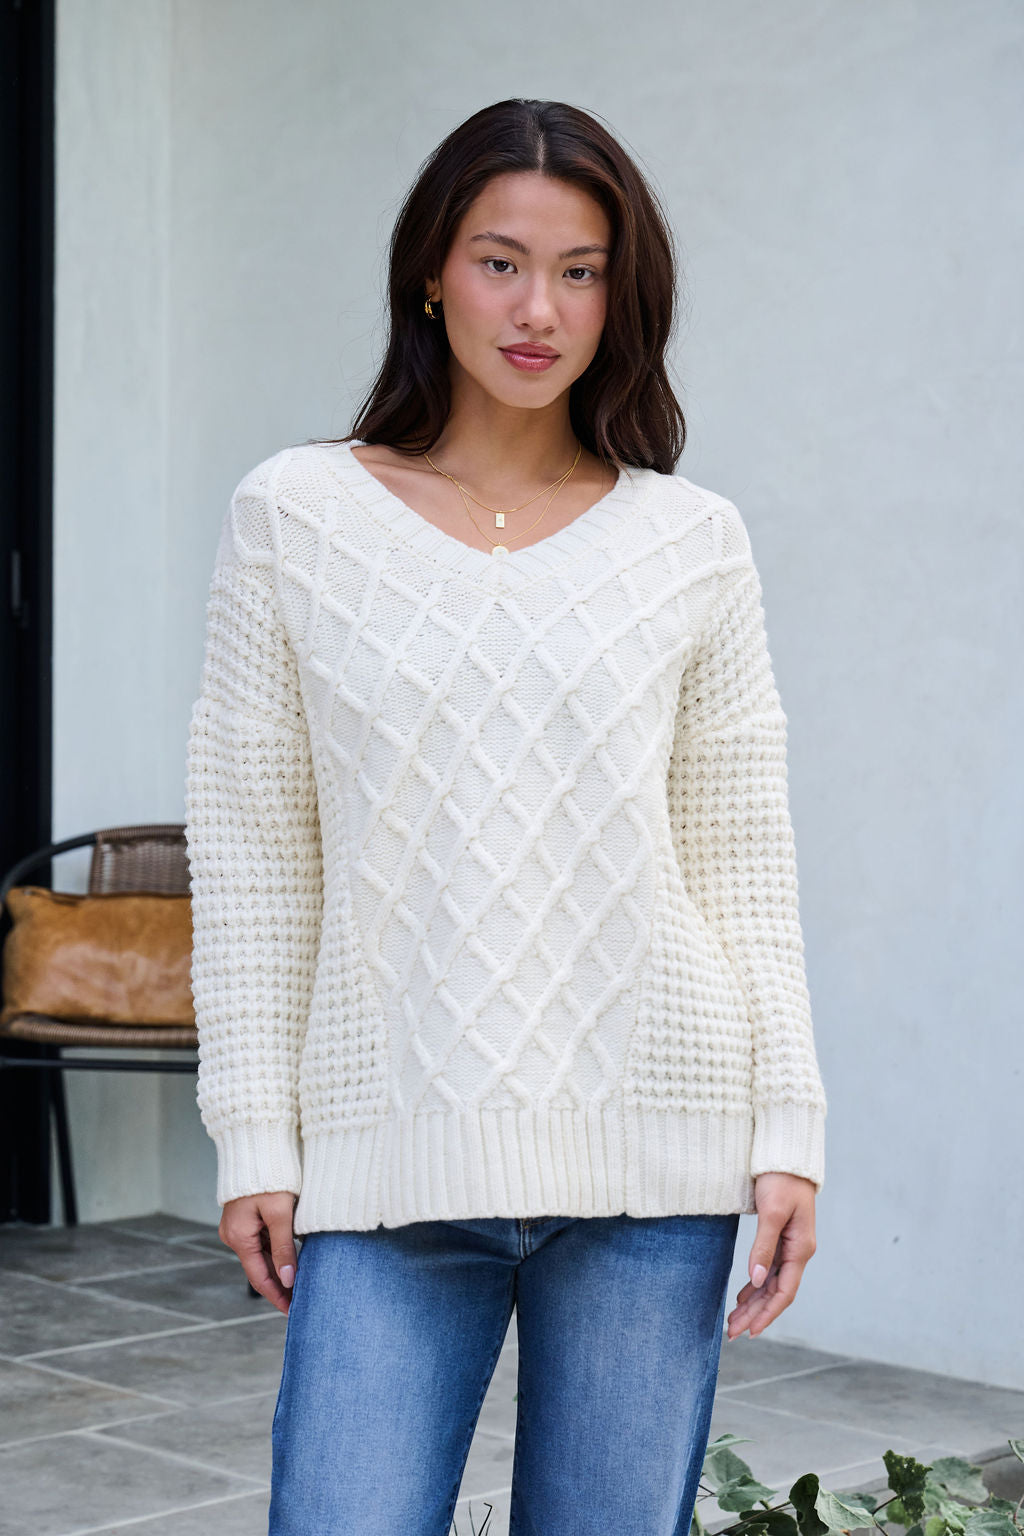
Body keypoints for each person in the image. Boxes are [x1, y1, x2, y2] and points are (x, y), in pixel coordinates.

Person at [184, 97, 827, 1536]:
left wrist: (787, 1124)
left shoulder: (690, 541)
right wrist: (254, 1139)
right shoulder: (294, 515)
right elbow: (254, 851)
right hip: (388, 1159)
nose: (540, 308)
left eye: (582, 270)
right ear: (429, 272)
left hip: (655, 1164)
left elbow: (739, 854)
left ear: (623, 293)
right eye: (500, 260)